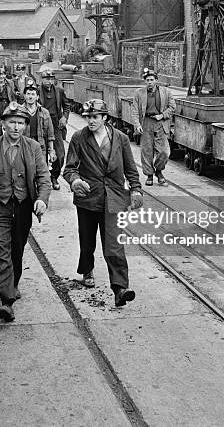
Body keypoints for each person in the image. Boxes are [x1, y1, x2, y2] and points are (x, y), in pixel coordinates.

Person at [0, 102, 52, 322]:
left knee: (16, 251)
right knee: (1, 252)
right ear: (4, 124)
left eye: (20, 123)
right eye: (12, 123)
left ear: (26, 126)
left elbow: (43, 177)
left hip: (23, 207)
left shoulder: (33, 147)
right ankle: (7, 301)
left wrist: (42, 199)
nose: (16, 127)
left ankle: (13, 284)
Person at [63, 99, 142, 307]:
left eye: (95, 117)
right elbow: (69, 168)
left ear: (105, 118)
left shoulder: (121, 139)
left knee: (114, 244)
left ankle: (120, 288)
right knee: (87, 241)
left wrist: (136, 189)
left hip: (114, 197)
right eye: (88, 117)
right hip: (88, 198)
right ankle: (87, 269)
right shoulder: (79, 138)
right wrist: (75, 181)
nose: (90, 121)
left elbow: (130, 168)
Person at [131, 68, 175, 186]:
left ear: (156, 80)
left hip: (160, 123)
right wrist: (137, 124)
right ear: (145, 81)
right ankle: (149, 175)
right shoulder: (139, 93)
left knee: (164, 152)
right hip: (146, 122)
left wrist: (162, 115)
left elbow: (172, 107)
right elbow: (134, 110)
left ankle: (159, 170)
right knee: (146, 151)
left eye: (151, 80)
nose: (149, 82)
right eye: (147, 80)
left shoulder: (166, 92)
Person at [39, 70, 70, 190]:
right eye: (47, 79)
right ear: (42, 79)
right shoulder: (37, 91)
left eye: (51, 79)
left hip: (56, 125)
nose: (49, 81)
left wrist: (64, 117)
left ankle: (54, 177)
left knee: (60, 154)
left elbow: (66, 106)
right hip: (41, 125)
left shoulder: (59, 91)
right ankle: (43, 180)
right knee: (41, 154)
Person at [22, 78, 57, 165]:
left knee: (41, 173)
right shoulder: (19, 112)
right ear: (24, 96)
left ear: (37, 97)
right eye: (28, 94)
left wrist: (51, 151)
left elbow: (50, 134)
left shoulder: (44, 112)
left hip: (40, 148)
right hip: (23, 147)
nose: (30, 96)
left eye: (33, 94)